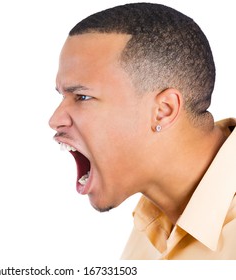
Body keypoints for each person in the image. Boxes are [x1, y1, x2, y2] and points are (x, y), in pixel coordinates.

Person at [48, 2, 236, 260]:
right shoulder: (149, 227)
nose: (55, 120)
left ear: (164, 110)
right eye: (62, 95)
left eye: (82, 96)